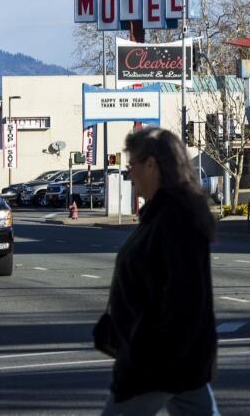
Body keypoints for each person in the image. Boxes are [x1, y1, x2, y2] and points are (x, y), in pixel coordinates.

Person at [94, 127, 220, 416]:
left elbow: (184, 298)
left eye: (132, 165)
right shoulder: (161, 213)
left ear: (151, 164)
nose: (130, 174)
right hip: (175, 362)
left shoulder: (176, 218)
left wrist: (143, 351)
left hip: (157, 363)